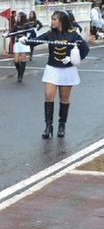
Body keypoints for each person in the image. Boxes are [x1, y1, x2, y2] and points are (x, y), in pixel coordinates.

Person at [23, 11, 89, 139]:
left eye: (54, 19)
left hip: (67, 70)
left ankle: (61, 125)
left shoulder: (73, 35)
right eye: (51, 19)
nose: (51, 21)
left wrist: (72, 59)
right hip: (52, 68)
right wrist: (25, 41)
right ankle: (48, 126)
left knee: (64, 99)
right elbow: (36, 41)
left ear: (61, 21)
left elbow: (85, 49)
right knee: (48, 96)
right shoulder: (50, 34)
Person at [7, 12, 32, 82]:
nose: (17, 18)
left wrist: (26, 38)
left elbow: (31, 32)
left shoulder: (27, 25)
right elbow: (11, 31)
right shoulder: (15, 25)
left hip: (23, 43)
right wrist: (7, 34)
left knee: (23, 59)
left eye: (19, 17)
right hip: (17, 43)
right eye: (17, 17)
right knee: (16, 60)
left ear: (22, 18)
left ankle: (20, 76)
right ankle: (20, 72)